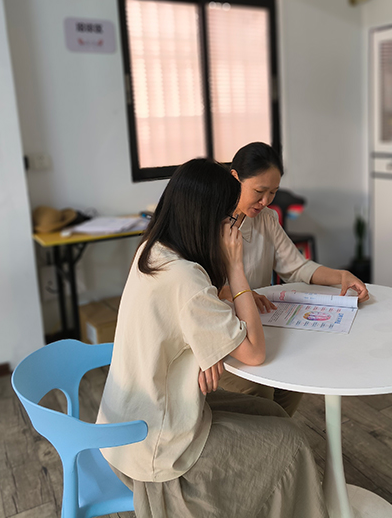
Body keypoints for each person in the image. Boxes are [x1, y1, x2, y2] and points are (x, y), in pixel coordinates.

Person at [97, 158, 327, 518]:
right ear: (208, 220)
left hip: (130, 422)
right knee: (292, 442)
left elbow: (189, 314)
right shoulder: (185, 279)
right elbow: (254, 352)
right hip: (158, 447)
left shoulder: (153, 251)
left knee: (271, 412)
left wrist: (204, 347)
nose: (235, 227)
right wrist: (236, 268)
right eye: (230, 219)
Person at [218, 142, 369, 416]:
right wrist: (238, 293)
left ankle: (276, 434)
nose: (266, 201)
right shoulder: (210, 223)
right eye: (259, 192)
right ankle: (272, 434)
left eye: (273, 192)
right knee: (260, 390)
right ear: (235, 178)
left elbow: (298, 267)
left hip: (260, 328)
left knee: (296, 374)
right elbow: (200, 289)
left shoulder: (266, 220)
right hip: (224, 335)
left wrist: (341, 276)